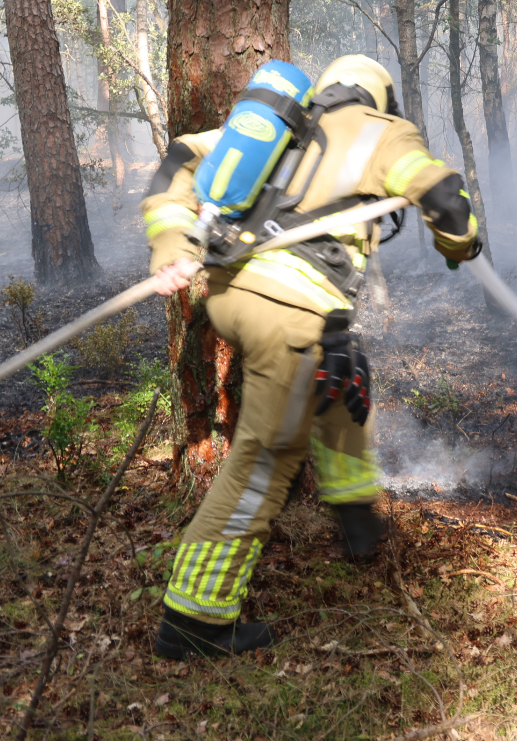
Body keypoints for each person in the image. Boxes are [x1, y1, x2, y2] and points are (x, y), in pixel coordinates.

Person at [140, 55, 481, 659]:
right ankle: (193, 620)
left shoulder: (287, 126)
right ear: (380, 97)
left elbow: (180, 159)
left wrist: (171, 242)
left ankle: (355, 510)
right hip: (287, 310)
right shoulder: (381, 131)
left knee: (342, 372)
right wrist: (462, 243)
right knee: (263, 463)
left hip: (237, 296)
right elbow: (444, 197)